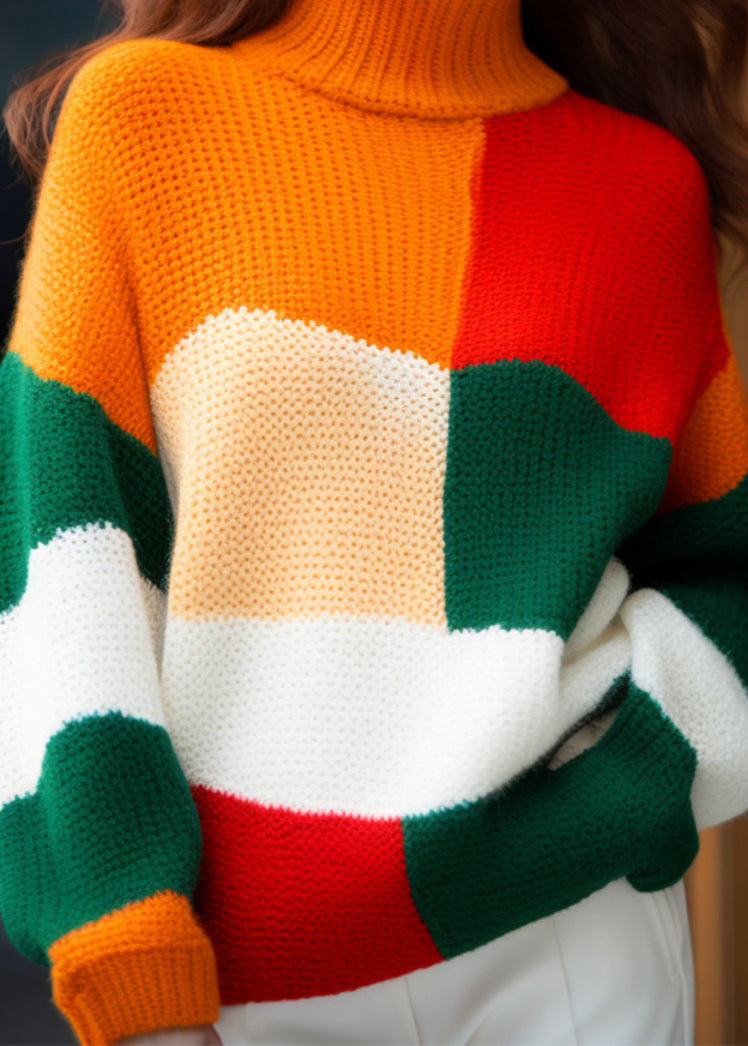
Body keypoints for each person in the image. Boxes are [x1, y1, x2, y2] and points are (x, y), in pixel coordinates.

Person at [2, 0, 748, 1043]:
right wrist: (123, 937)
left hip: (570, 937)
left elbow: (720, 566)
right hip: (232, 966)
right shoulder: (147, 119)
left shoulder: (643, 185)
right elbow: (63, 568)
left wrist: (634, 781)